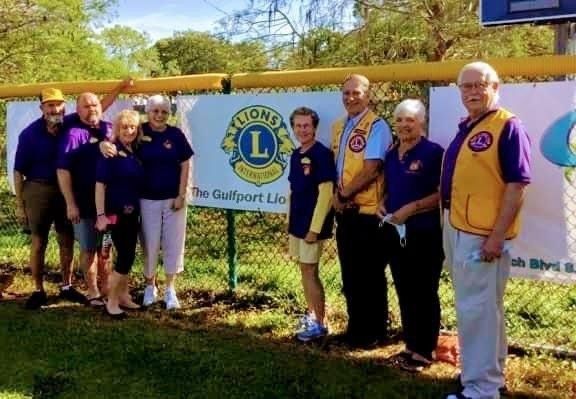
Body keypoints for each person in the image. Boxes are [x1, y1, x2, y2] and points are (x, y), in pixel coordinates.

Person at [441, 62, 531, 399]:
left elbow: (518, 184)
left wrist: (496, 236)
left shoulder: (508, 125)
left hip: (482, 234)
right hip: (458, 226)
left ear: (496, 87)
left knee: (477, 309)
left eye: (481, 85)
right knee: (481, 308)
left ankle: (480, 390)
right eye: (466, 87)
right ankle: (488, 376)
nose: (473, 92)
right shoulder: (469, 125)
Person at [376, 99, 444, 371]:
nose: (404, 125)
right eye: (400, 120)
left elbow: (443, 193)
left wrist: (412, 208)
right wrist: (384, 202)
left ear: (422, 123)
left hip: (424, 233)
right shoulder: (393, 153)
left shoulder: (434, 152)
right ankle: (410, 346)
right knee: (404, 289)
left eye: (410, 120)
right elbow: (391, 186)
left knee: (424, 291)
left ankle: (425, 351)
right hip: (395, 232)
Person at [331, 74, 393, 348]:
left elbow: (372, 169)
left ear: (368, 95)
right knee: (351, 275)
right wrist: (338, 196)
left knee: (369, 276)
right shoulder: (339, 126)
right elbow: (338, 169)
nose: (350, 98)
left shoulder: (377, 126)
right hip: (346, 212)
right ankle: (356, 329)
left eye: (356, 93)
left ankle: (374, 333)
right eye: (346, 93)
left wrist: (343, 194)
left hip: (368, 214)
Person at [57, 81, 131, 307]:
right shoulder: (72, 133)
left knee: (105, 248)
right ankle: (92, 291)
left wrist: (119, 88)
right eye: (86, 106)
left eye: (95, 105)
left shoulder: (109, 128)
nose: (92, 109)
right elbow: (62, 170)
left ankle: (108, 288)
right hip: (84, 204)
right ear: (77, 110)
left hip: (109, 206)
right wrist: (70, 203)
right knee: (89, 249)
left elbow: (104, 104)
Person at [14, 88, 85, 309]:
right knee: (38, 242)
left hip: (67, 191)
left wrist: (120, 88)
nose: (55, 109)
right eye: (50, 105)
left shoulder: (71, 125)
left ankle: (66, 285)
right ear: (42, 108)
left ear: (65, 106)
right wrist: (20, 205)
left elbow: (97, 105)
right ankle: (38, 290)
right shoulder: (29, 134)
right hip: (38, 189)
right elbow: (18, 172)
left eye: (59, 104)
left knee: (66, 240)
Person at [287, 107, 335, 342]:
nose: (302, 130)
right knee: (304, 270)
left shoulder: (322, 154)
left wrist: (314, 229)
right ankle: (311, 316)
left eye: (306, 125)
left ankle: (320, 323)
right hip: (297, 224)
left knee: (310, 271)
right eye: (298, 126)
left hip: (311, 226)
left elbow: (326, 193)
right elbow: (294, 191)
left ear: (314, 127)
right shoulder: (295, 155)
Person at [95, 110, 143, 319]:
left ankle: (123, 296)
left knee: (128, 256)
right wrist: (101, 214)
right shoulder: (111, 152)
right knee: (123, 257)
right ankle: (111, 302)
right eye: (125, 127)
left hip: (133, 212)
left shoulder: (133, 151)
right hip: (116, 213)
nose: (129, 131)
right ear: (117, 128)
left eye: (133, 127)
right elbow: (100, 186)